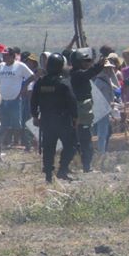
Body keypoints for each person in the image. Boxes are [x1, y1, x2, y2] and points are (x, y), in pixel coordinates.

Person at [30, 53, 78, 182]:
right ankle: (62, 170)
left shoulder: (40, 82)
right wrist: (75, 117)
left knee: (48, 147)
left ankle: (48, 175)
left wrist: (35, 116)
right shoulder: (63, 82)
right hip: (63, 120)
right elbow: (72, 101)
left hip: (46, 120)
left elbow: (33, 100)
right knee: (71, 145)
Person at [68, 49, 106, 173]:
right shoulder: (77, 74)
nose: (87, 63)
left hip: (77, 111)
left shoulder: (73, 73)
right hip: (81, 111)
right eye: (84, 61)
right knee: (85, 140)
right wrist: (99, 66)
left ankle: (76, 165)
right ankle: (87, 167)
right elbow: (89, 73)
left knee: (78, 139)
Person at [0, 49, 33, 151]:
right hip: (3, 98)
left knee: (16, 122)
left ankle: (17, 142)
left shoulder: (20, 66)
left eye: (6, 55)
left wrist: (24, 87)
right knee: (3, 121)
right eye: (3, 55)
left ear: (12, 56)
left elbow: (31, 76)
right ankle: (6, 143)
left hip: (15, 98)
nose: (4, 57)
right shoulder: (1, 66)